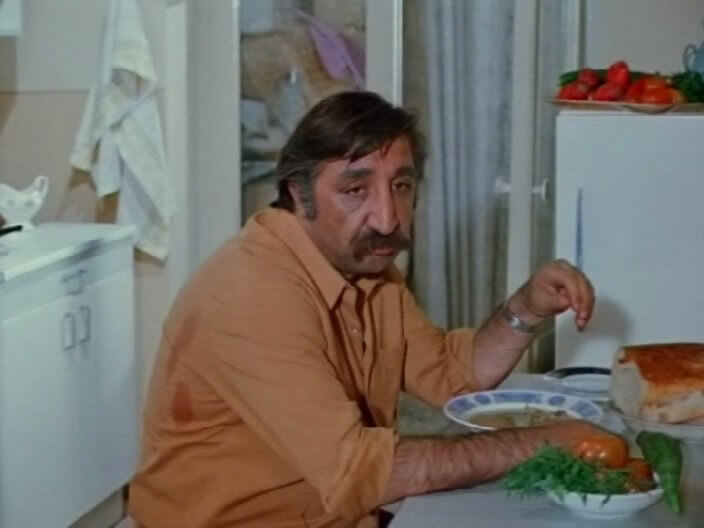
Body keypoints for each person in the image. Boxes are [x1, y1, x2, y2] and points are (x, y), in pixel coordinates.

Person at [129, 91, 619, 528]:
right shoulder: (252, 295)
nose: (387, 219)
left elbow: (452, 375)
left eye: (401, 186)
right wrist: (547, 441)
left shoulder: (365, 268)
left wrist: (526, 309)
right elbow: (361, 472)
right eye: (355, 190)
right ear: (299, 195)